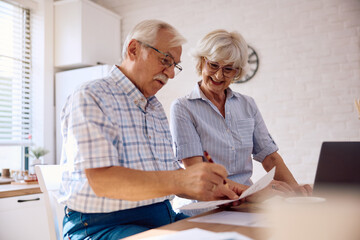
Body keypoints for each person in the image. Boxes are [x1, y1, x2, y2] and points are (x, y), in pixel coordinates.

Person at [58, 20, 246, 240]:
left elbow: (172, 174)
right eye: (165, 60)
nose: (171, 73)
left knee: (230, 232)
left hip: (161, 218)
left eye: (174, 65)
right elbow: (102, 181)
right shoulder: (91, 96)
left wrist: (232, 190)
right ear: (133, 49)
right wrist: (184, 181)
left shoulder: (154, 107)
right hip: (102, 226)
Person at [170, 30, 312, 213]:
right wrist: (255, 193)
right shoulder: (183, 107)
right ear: (201, 62)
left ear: (236, 72)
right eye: (213, 65)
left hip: (245, 205)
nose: (219, 75)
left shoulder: (247, 105)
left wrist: (295, 190)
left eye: (228, 69)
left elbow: (270, 156)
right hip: (204, 208)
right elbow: (196, 172)